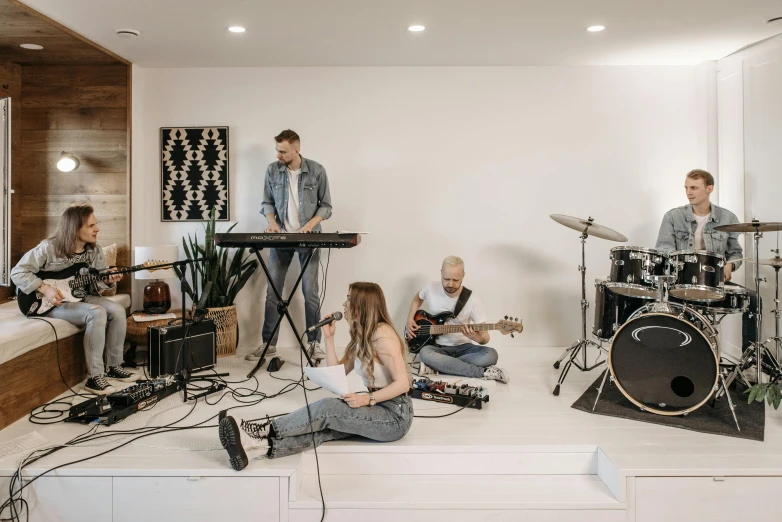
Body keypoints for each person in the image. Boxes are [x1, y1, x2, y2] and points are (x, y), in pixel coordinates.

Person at [219, 282, 412, 470]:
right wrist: (328, 338)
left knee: (327, 408)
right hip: (377, 407)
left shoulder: (383, 335)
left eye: (348, 299)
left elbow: (403, 383)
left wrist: (365, 398)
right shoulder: (361, 336)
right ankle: (255, 448)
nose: (344, 304)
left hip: (394, 417)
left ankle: (260, 430)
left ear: (361, 305)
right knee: (326, 429)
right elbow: (337, 371)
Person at [10, 204, 139, 395]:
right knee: (96, 312)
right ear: (74, 227)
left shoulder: (95, 252)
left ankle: (114, 366)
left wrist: (108, 280)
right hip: (49, 301)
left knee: (118, 310)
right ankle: (95, 377)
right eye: (91, 225)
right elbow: (18, 272)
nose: (97, 229)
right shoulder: (48, 248)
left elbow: (97, 286)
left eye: (96, 224)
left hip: (81, 296)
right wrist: (45, 288)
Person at [246, 130, 333, 365]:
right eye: (277, 150)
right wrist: (272, 224)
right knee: (273, 292)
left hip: (310, 239)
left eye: (283, 151)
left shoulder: (317, 170)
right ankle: (269, 344)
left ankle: (313, 343)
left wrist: (309, 226)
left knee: (310, 293)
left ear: (297, 149)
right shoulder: (272, 170)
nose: (278, 155)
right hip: (281, 239)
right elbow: (267, 203)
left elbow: (326, 206)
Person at [655, 168, 759, 350]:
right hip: (682, 283)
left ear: (709, 188)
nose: (688, 192)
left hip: (714, 282)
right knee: (672, 314)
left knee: (753, 299)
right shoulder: (673, 216)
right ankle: (679, 356)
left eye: (694, 188)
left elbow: (735, 253)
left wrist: (730, 265)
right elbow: (663, 250)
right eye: (686, 187)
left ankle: (750, 356)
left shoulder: (728, 217)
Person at [405, 256, 509, 383]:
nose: (450, 284)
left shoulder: (472, 300)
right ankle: (482, 372)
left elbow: (485, 338)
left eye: (456, 280)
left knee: (491, 355)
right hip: (437, 347)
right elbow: (418, 298)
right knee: (425, 353)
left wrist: (475, 337)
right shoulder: (430, 288)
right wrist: (410, 318)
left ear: (463, 276)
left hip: (464, 349)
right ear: (441, 272)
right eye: (446, 279)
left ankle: (439, 367)